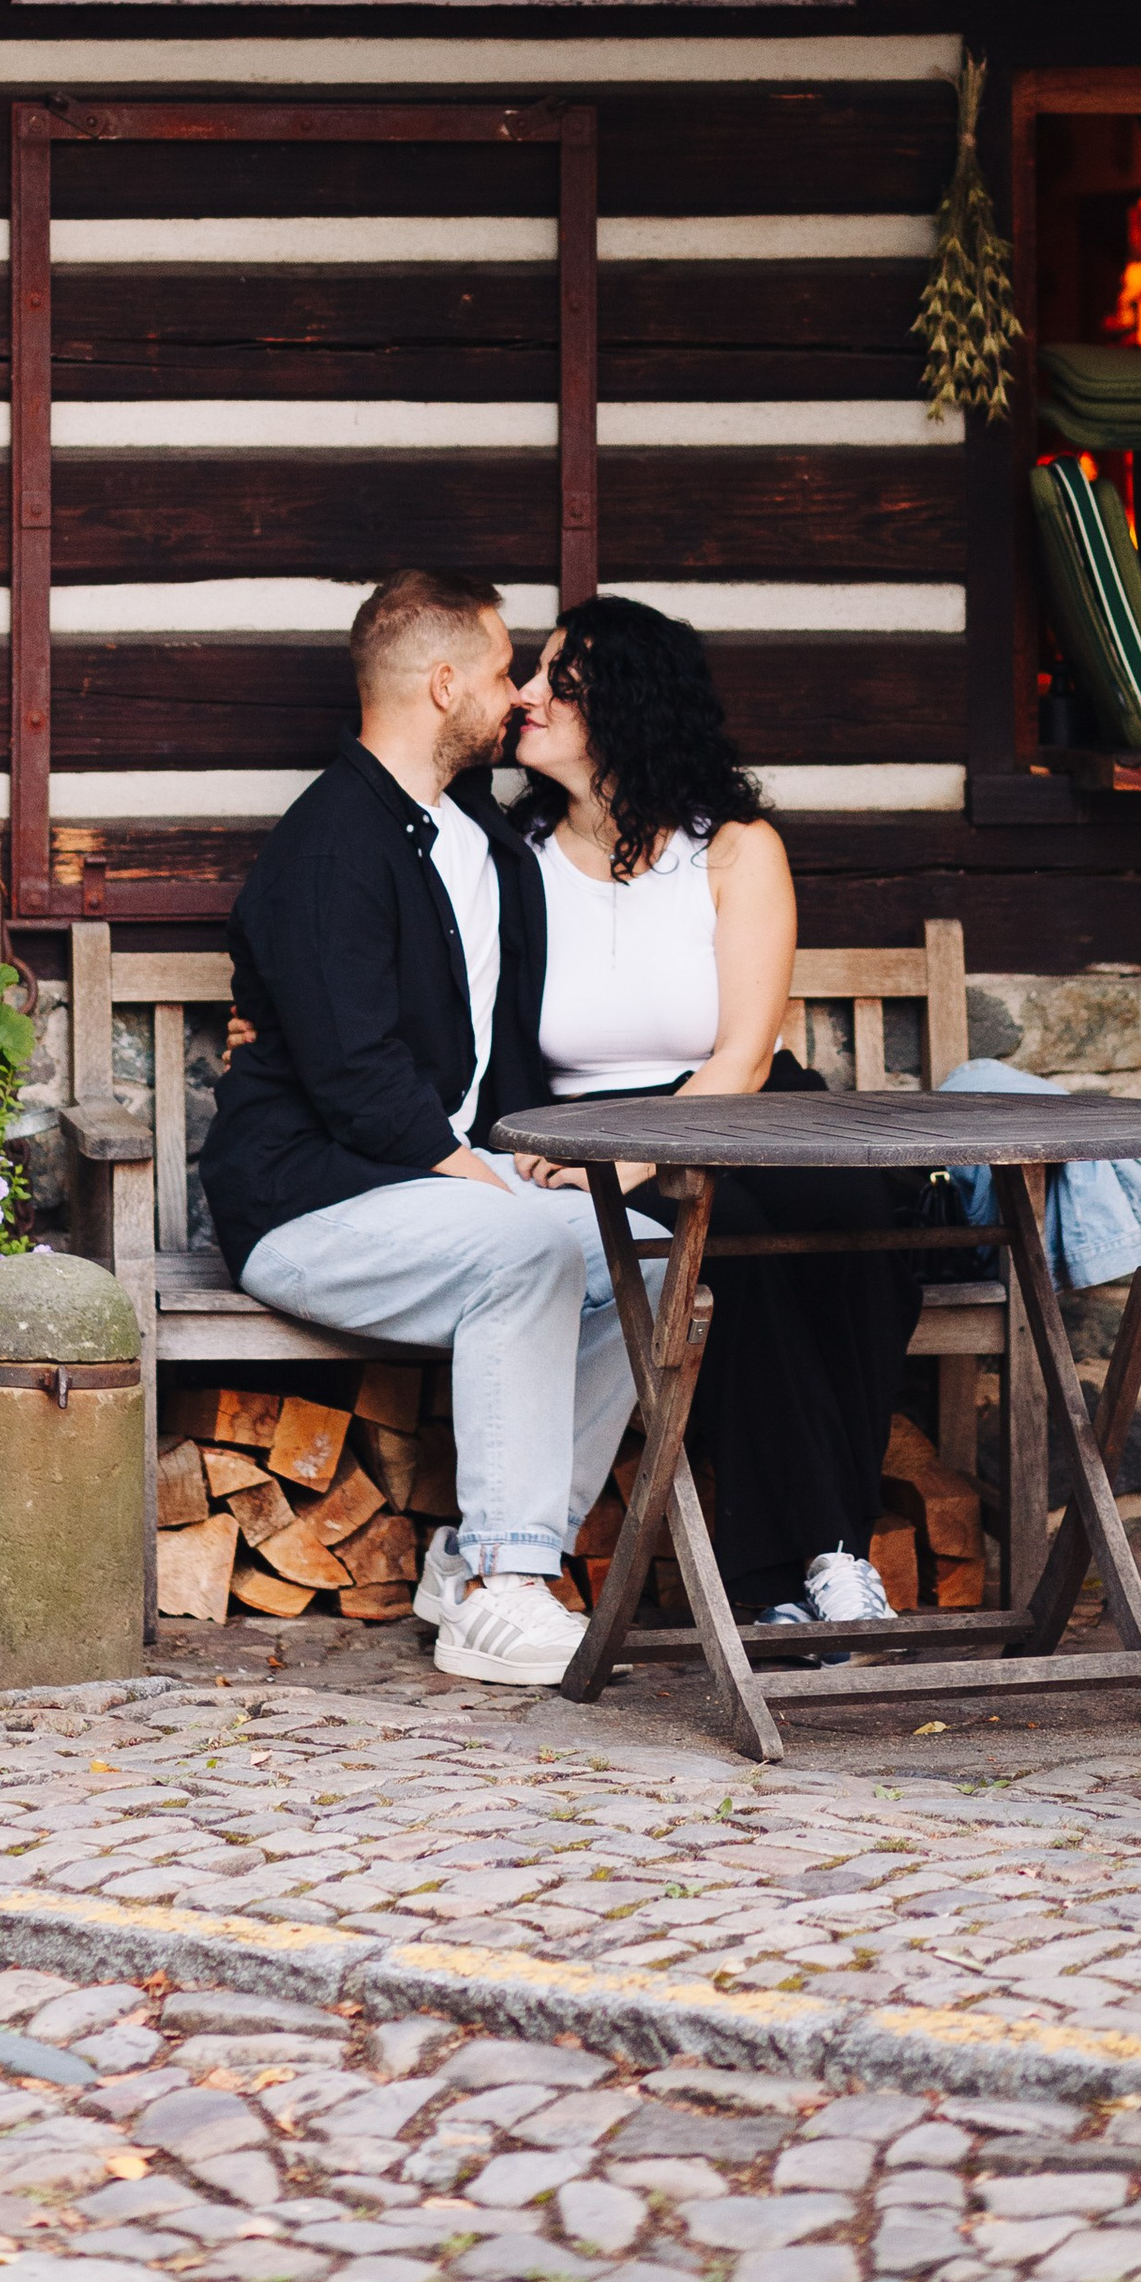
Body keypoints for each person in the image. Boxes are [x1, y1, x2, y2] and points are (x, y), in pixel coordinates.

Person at [198, 567, 646, 1691]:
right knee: (536, 1243)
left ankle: (469, 1560)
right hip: (309, 1206)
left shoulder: (485, 848)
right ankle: (506, 1586)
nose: (519, 698)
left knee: (661, 1265)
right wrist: (477, 1177)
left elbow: (489, 1057)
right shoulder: (327, 844)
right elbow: (353, 1072)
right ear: (442, 683)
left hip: (438, 1191)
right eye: (501, 673)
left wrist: (523, 1153)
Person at [507, 593, 925, 1639]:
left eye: (557, 677)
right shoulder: (508, 859)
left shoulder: (733, 849)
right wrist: (614, 1158)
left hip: (740, 1103)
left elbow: (740, 1051)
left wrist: (653, 1156)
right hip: (592, 1129)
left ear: (629, 707)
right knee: (731, 1247)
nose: (524, 696)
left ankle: (826, 1554)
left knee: (867, 1216)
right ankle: (801, 1563)